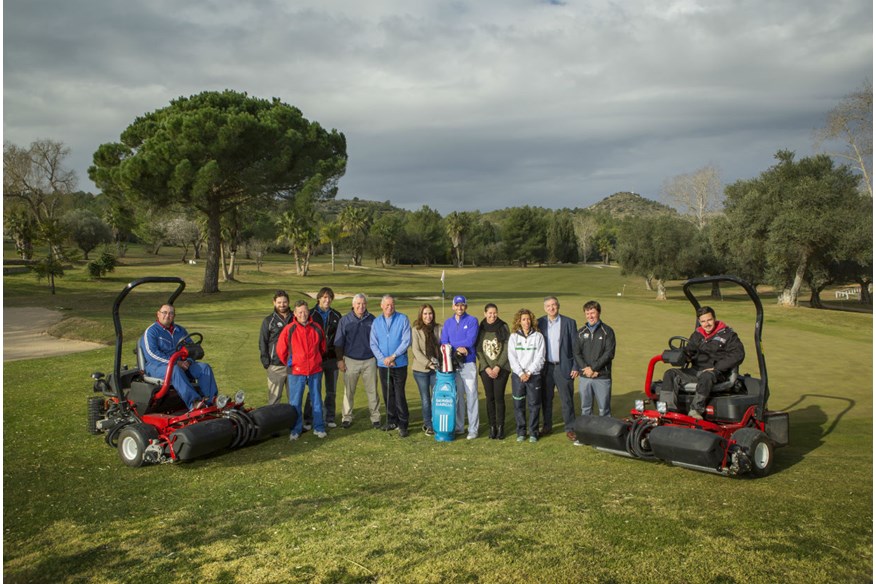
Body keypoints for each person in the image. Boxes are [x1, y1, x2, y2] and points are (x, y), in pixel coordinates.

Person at [662, 306, 745, 419]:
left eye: (709, 320)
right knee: (670, 374)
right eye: (703, 321)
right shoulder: (697, 335)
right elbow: (689, 350)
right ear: (700, 322)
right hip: (696, 371)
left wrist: (717, 367)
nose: (707, 324)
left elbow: (738, 354)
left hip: (717, 373)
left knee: (706, 376)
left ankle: (696, 410)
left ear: (714, 318)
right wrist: (682, 356)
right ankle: (667, 410)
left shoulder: (728, 335)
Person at [141, 304, 219, 410]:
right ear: (158, 314)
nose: (167, 315)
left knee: (204, 368)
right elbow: (152, 354)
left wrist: (189, 361)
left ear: (174, 316)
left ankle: (212, 401)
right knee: (175, 370)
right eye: (164, 312)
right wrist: (175, 363)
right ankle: (194, 403)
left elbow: (191, 349)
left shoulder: (180, 330)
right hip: (157, 366)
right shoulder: (151, 332)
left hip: (181, 364)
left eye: (171, 313)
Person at [277, 300, 327, 440]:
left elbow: (323, 347)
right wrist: (291, 362)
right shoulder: (289, 329)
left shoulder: (316, 327)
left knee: (316, 400)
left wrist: (316, 360)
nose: (303, 314)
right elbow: (281, 350)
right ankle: (295, 430)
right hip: (296, 371)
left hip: (314, 370)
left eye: (305, 311)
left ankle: (319, 427)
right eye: (300, 312)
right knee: (295, 402)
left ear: (308, 312)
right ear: (295, 313)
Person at [334, 293, 382, 429]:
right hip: (350, 360)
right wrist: (340, 360)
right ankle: (347, 417)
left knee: (372, 391)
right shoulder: (345, 320)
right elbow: (339, 343)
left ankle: (375, 417)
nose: (361, 306)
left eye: (363, 304)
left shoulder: (372, 319)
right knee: (349, 391)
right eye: (358, 304)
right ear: (353, 305)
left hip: (370, 360)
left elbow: (378, 341)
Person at [369, 295, 413, 437]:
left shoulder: (402, 319)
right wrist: (384, 359)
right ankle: (391, 420)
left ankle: (403, 423)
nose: (390, 307)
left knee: (399, 393)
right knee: (388, 393)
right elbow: (373, 344)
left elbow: (406, 341)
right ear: (381, 306)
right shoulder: (376, 322)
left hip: (399, 363)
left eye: (392, 304)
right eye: (387, 305)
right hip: (384, 365)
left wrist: (393, 356)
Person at [537, 296, 579, 441]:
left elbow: (575, 347)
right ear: (545, 308)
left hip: (564, 367)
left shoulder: (569, 322)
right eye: (548, 306)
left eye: (554, 305)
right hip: (546, 368)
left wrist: (576, 366)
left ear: (558, 306)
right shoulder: (539, 322)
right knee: (546, 399)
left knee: (566, 400)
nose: (551, 308)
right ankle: (547, 426)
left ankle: (570, 428)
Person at [440, 295, 480, 439]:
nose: (459, 307)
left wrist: (453, 345)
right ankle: (459, 426)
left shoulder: (472, 320)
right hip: (453, 364)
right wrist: (457, 348)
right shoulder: (448, 323)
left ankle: (473, 429)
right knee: (458, 397)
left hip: (468, 363)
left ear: (466, 307)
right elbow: (444, 341)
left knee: (471, 396)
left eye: (462, 305)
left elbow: (470, 340)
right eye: (457, 305)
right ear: (453, 307)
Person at [305, 287, 342, 429]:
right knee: (314, 389)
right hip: (316, 360)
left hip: (332, 359)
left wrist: (340, 358)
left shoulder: (336, 315)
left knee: (331, 391)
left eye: (329, 297)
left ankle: (330, 417)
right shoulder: (311, 314)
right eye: (324, 297)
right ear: (319, 298)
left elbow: (339, 340)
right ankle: (308, 419)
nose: (327, 300)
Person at [507, 308, 545, 443]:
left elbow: (540, 358)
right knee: (518, 404)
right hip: (518, 376)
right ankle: (521, 432)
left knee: (534, 404)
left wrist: (528, 372)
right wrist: (521, 373)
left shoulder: (538, 336)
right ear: (519, 321)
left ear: (532, 320)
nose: (526, 322)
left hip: (533, 375)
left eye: (528, 319)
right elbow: (512, 358)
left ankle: (534, 432)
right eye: (523, 319)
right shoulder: (513, 337)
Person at [573, 300, 616, 417]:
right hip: (585, 377)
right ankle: (587, 434)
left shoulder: (607, 331)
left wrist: (594, 369)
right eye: (587, 313)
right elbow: (577, 353)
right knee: (585, 409)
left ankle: (604, 434)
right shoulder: (581, 332)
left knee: (604, 410)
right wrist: (586, 369)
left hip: (602, 376)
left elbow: (609, 353)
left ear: (599, 313)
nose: (590, 316)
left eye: (592, 313)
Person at [476, 303, 511, 439]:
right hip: (486, 369)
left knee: (499, 397)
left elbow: (507, 348)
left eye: (495, 313)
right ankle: (492, 427)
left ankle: (501, 427)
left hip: (501, 368)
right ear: (485, 313)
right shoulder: (482, 327)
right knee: (489, 398)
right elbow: (479, 349)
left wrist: (497, 367)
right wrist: (486, 367)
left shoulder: (503, 326)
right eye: (490, 313)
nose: (492, 315)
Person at [411, 304, 442, 436]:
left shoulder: (439, 328)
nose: (428, 316)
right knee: (425, 398)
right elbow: (416, 351)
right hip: (420, 369)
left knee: (436, 397)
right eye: (425, 314)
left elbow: (443, 345)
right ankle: (428, 424)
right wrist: (428, 363)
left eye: (430, 313)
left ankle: (437, 422)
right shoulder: (416, 330)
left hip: (437, 369)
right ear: (421, 315)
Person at [259, 290, 294, 405]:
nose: (282, 305)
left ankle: (295, 423)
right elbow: (263, 341)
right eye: (279, 302)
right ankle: (273, 423)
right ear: (274, 302)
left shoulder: (296, 317)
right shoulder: (269, 321)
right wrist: (266, 362)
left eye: (284, 302)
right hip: (275, 365)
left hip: (293, 364)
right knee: (274, 400)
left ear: (288, 302)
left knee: (294, 399)